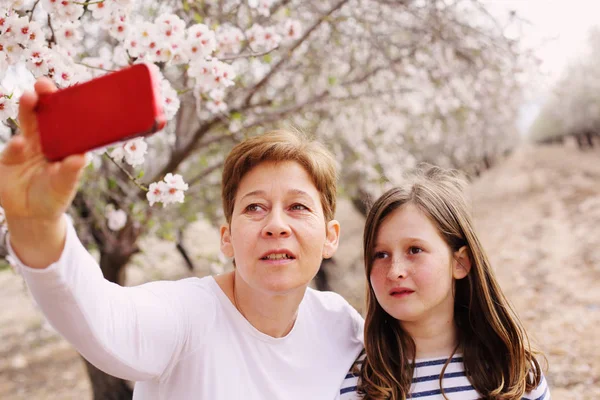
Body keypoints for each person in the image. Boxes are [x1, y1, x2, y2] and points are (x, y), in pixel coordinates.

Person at [0, 78, 364, 399]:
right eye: (254, 208)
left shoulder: (342, 327)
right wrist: (38, 226)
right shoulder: (186, 316)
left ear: (330, 237)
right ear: (227, 239)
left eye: (298, 207)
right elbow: (106, 319)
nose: (275, 225)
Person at [339, 166, 550, 399]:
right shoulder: (354, 385)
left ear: (460, 263)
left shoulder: (514, 375)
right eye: (380, 254)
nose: (394, 271)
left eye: (414, 250)